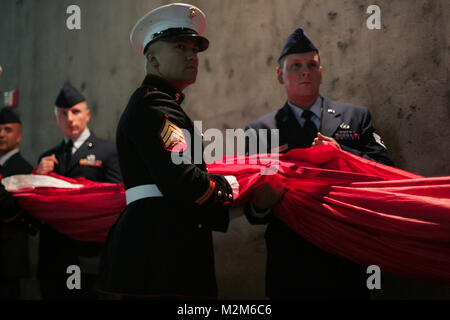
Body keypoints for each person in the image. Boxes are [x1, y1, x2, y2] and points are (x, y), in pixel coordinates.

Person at [99, 3, 279, 300]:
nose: (192, 55)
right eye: (180, 47)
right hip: (161, 250)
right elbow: (183, 181)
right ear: (153, 58)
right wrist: (237, 187)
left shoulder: (156, 102)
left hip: (162, 242)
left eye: (195, 49)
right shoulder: (155, 105)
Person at [244, 28, 394, 299]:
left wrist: (342, 154)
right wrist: (261, 203)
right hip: (291, 263)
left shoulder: (356, 117)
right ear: (280, 75)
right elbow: (253, 211)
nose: (305, 72)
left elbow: (385, 170)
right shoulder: (260, 131)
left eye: (311, 65)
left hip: (346, 253)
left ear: (321, 71)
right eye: (296, 66)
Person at [35, 82, 122, 299]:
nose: (70, 119)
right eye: (63, 114)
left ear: (88, 115)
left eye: (75, 112)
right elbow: (36, 208)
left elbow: (116, 201)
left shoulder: (107, 151)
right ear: (56, 119)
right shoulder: (47, 157)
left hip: (91, 254)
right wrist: (37, 176)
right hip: (53, 255)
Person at [0, 107, 34, 300]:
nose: (1, 134)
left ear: (19, 136)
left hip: (9, 258)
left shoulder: (24, 170)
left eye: (7, 129)